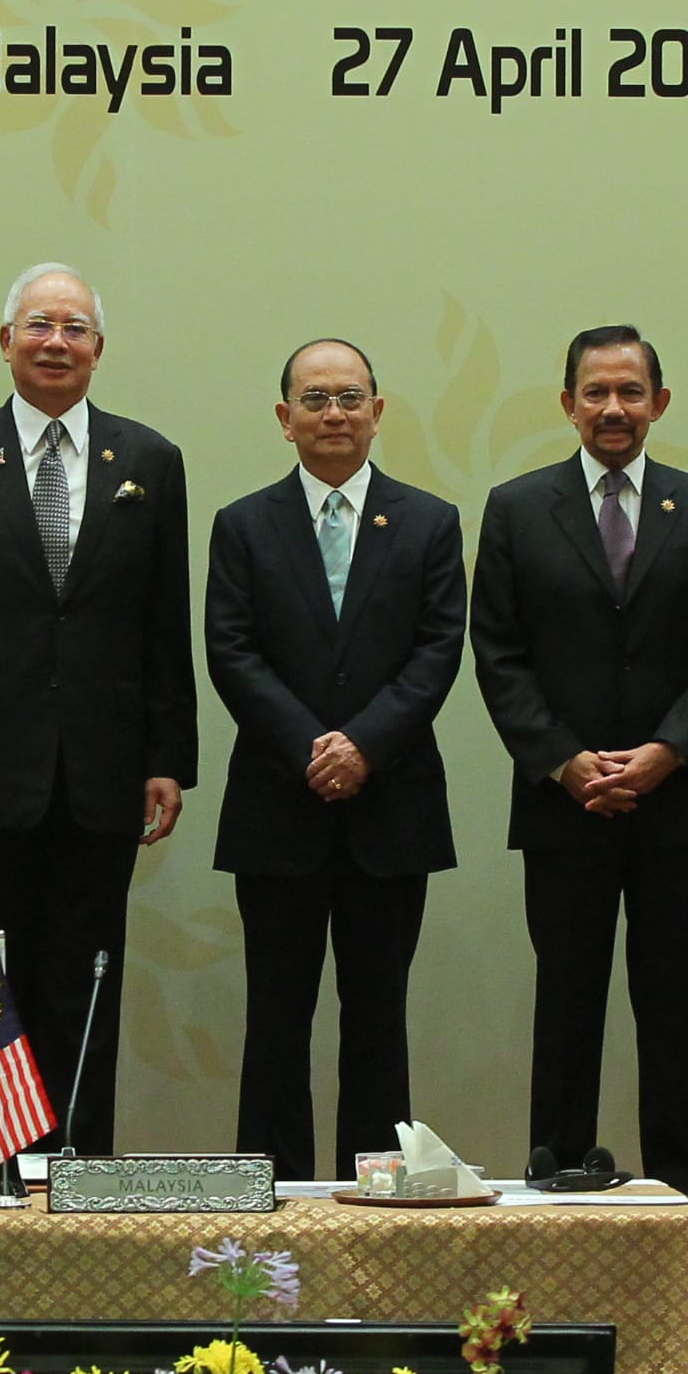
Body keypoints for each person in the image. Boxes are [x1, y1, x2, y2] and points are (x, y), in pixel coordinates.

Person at [0, 263, 196, 1156]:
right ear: (6, 343)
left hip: (102, 774)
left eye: (75, 328)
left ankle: (79, 1169)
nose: (56, 342)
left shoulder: (148, 459)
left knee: (87, 981)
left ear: (99, 350)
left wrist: (165, 758)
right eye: (38, 325)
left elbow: (162, 620)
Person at [468, 325, 688, 1231]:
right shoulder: (517, 509)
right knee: (568, 996)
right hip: (565, 804)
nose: (614, 409)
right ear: (567, 405)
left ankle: (684, 1194)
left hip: (677, 803)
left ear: (659, 403)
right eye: (595, 393)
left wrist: (669, 752)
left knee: (670, 1003)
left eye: (631, 392)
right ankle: (555, 1181)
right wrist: (563, 759)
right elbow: (499, 653)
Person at [204, 338, 466, 1181]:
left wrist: (365, 745)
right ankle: (269, 1191)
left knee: (379, 1018)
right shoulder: (243, 525)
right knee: (275, 1019)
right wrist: (312, 746)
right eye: (314, 400)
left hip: (392, 809)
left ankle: (376, 1193)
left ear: (379, 413)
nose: (334, 414)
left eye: (350, 397)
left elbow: (437, 650)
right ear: (284, 420)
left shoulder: (429, 521)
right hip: (278, 806)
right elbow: (232, 651)